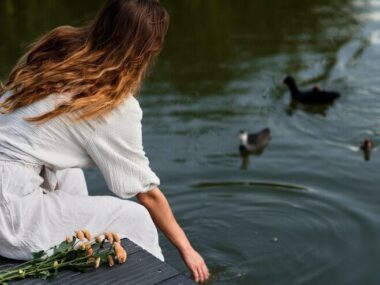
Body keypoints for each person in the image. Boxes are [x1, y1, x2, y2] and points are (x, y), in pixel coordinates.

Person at [0, 0, 209, 283]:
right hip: (9, 211)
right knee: (135, 218)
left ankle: (80, 251)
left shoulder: (62, 50)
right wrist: (188, 250)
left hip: (12, 178)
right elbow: (145, 193)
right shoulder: (112, 105)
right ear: (147, 49)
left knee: (69, 170)